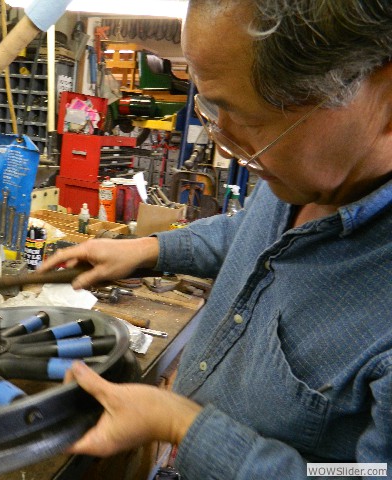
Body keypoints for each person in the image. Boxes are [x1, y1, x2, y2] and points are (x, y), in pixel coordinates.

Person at [39, 0, 392, 478]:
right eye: (211, 108)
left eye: (246, 121)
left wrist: (184, 425)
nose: (223, 139)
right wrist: (149, 250)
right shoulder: (305, 178)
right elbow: (252, 232)